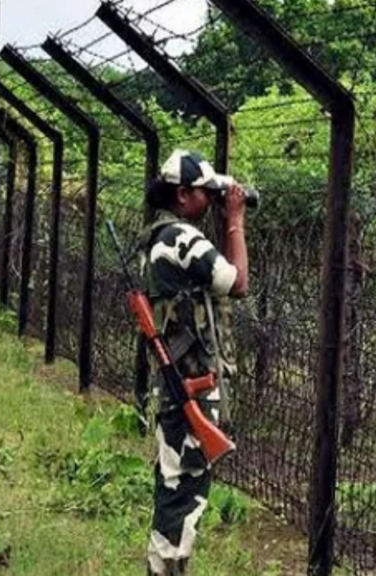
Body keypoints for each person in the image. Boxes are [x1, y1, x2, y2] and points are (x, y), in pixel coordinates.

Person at [142, 149, 249, 575]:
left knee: (176, 488)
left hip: (181, 382)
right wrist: (236, 220)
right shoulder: (182, 237)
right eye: (206, 192)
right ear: (182, 195)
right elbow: (236, 282)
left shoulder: (162, 235)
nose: (213, 200)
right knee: (183, 492)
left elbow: (212, 279)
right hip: (191, 385)